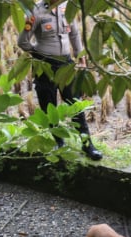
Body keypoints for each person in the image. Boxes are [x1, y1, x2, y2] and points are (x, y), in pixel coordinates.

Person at [17, 0, 102, 161]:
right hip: (45, 66)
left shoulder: (67, 8)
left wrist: (80, 56)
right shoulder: (36, 11)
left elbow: (75, 34)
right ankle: (59, 141)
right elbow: (22, 41)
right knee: (49, 105)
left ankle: (87, 145)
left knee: (75, 104)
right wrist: (39, 56)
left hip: (66, 65)